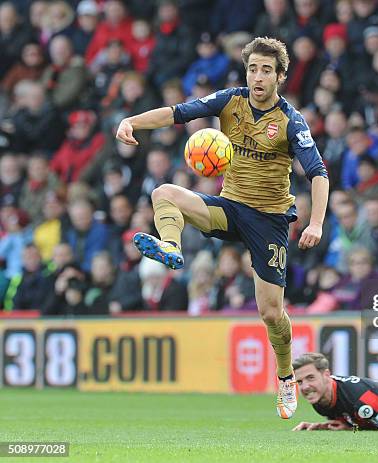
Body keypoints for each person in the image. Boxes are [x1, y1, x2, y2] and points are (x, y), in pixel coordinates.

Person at [116, 37, 329, 420]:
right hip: (229, 208)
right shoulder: (229, 100)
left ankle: (284, 377)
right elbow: (178, 112)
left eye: (266, 70)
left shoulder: (291, 121)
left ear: (280, 76)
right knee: (164, 192)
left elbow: (318, 172)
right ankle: (172, 247)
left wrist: (315, 223)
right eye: (252, 69)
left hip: (269, 221)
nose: (258, 77)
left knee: (271, 314)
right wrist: (133, 121)